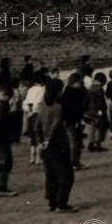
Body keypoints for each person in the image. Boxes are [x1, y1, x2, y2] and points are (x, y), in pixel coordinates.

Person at [35, 79, 77, 212]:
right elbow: (56, 124)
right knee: (66, 174)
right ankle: (61, 203)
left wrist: (41, 141)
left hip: (45, 146)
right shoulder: (58, 107)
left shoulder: (41, 106)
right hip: (57, 144)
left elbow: (37, 126)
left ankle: (51, 202)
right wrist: (49, 140)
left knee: (51, 175)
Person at [61, 72, 88, 170]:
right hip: (73, 121)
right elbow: (76, 109)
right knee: (75, 142)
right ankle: (74, 163)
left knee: (71, 142)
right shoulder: (75, 93)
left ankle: (70, 162)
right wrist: (77, 120)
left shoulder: (66, 92)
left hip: (67, 121)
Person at [22, 73, 47, 165]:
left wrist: (28, 111)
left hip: (29, 114)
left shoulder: (30, 89)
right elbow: (39, 102)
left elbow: (25, 102)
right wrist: (34, 111)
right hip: (38, 114)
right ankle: (38, 157)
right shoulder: (43, 89)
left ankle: (32, 157)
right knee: (39, 135)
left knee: (32, 135)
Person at [85, 72, 109, 152]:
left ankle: (91, 143)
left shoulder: (90, 88)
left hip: (90, 111)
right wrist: (101, 110)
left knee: (92, 128)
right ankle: (98, 144)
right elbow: (100, 102)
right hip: (99, 111)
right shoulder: (99, 89)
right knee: (101, 128)